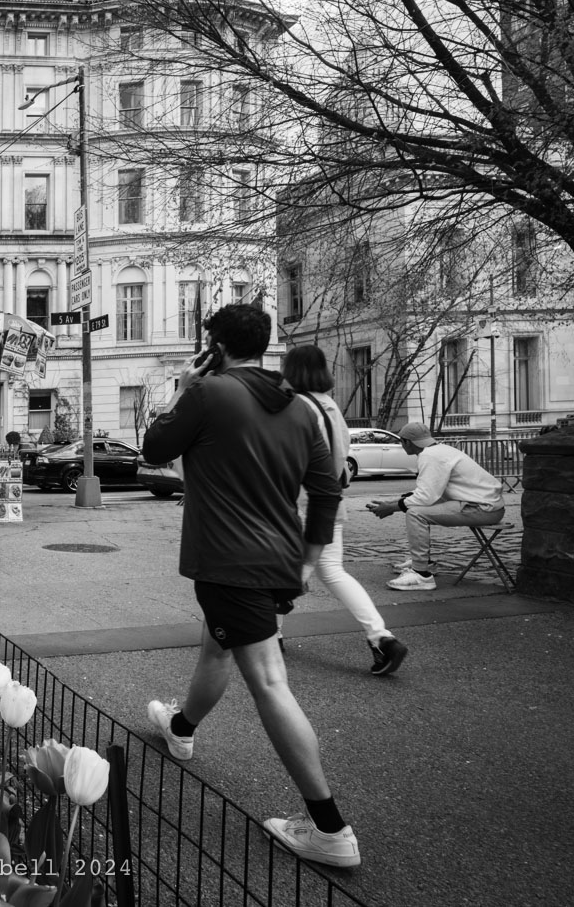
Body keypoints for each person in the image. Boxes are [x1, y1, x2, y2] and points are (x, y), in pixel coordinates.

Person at [141, 304, 360, 869]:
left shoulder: (209, 393)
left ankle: (329, 827)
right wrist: (308, 563)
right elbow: (329, 489)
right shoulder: (301, 408)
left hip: (228, 563)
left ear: (214, 343)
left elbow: (154, 448)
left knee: (267, 679)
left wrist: (184, 388)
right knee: (221, 644)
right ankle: (181, 727)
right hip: (279, 562)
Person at [280, 346, 409, 676]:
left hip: (303, 501)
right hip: (330, 501)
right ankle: (381, 637)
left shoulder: (296, 406)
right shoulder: (331, 406)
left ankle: (270, 635)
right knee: (333, 572)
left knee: (279, 569)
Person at [367, 421, 505, 591]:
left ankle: (421, 574)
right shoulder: (441, 450)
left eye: (401, 441)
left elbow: (426, 497)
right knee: (417, 509)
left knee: (416, 513)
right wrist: (392, 504)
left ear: (407, 442)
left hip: (482, 508)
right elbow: (431, 492)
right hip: (484, 505)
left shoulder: (429, 456)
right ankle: (425, 563)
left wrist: (392, 507)